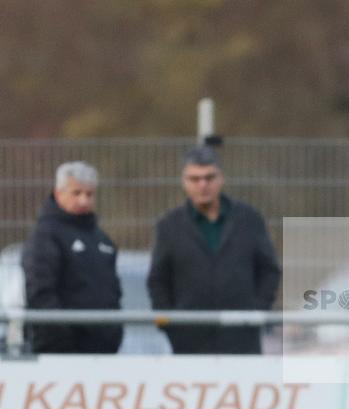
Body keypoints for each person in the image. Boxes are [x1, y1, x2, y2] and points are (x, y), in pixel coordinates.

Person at [147, 146, 281, 354]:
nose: (203, 185)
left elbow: (269, 270)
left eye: (209, 177)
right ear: (184, 181)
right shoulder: (169, 226)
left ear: (221, 178)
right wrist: (169, 323)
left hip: (241, 338)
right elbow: (158, 280)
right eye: (195, 179)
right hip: (189, 341)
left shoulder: (248, 219)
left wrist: (256, 311)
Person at [22, 161, 123, 353]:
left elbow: (113, 291)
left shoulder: (101, 239)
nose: (84, 200)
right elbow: (40, 292)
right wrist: (60, 337)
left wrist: (113, 331)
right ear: (59, 192)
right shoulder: (45, 235)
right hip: (61, 351)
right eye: (76, 193)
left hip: (102, 348)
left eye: (89, 194)